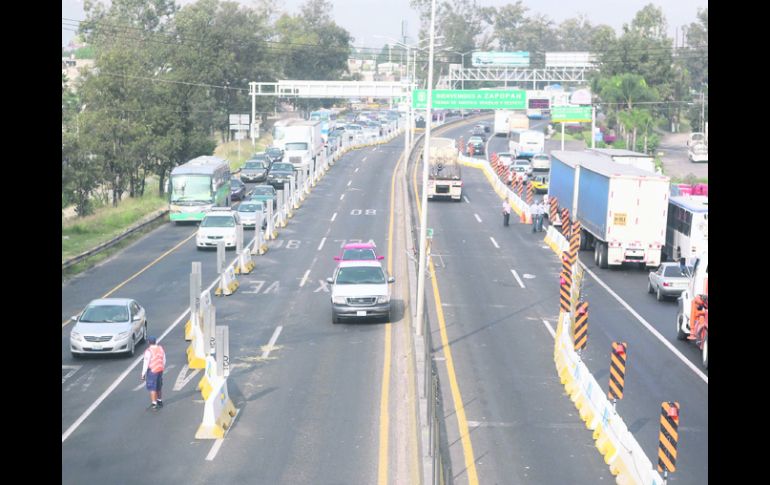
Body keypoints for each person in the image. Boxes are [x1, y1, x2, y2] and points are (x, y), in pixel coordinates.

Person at [141, 336, 166, 409]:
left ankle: (154, 403)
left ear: (149, 342)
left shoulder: (148, 351)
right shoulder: (160, 348)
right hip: (160, 369)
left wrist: (143, 374)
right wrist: (162, 367)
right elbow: (164, 359)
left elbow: (146, 363)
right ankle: (160, 400)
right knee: (159, 386)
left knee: (152, 387)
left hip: (152, 371)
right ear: (155, 342)